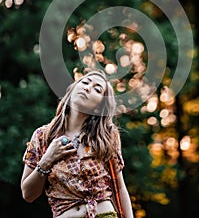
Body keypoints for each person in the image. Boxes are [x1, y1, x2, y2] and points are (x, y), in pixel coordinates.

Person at [21, 69, 134, 218]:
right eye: (84, 82)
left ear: (100, 106)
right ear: (72, 91)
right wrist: (47, 160)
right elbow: (28, 194)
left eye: (97, 89)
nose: (87, 88)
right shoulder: (43, 136)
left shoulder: (106, 136)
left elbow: (119, 188)